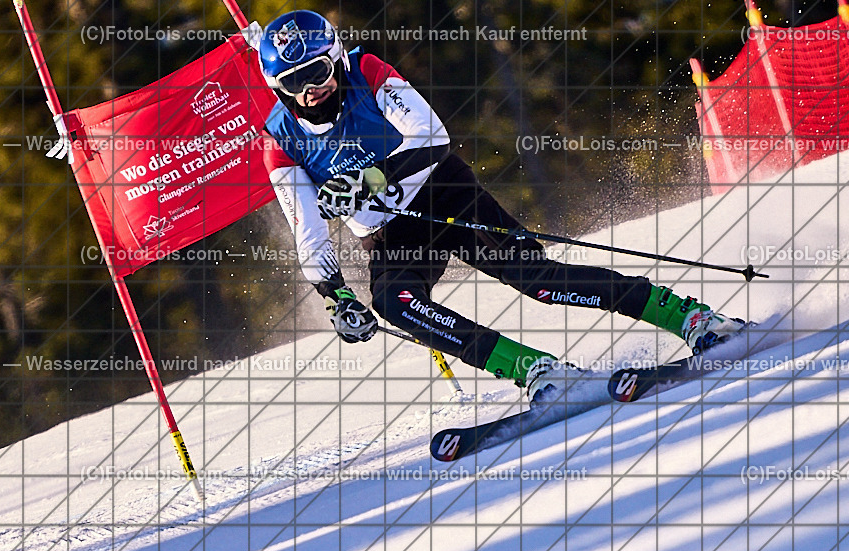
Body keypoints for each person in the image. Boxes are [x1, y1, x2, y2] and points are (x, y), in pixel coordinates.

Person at [257, 10, 745, 402]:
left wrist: (370, 179)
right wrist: (337, 297)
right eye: (293, 83)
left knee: (537, 280)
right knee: (394, 303)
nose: (310, 91)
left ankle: (691, 318)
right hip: (392, 233)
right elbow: (308, 232)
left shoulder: (366, 71)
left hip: (444, 193)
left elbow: (432, 137)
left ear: (335, 59)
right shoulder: (280, 143)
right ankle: (534, 370)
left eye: (317, 73)